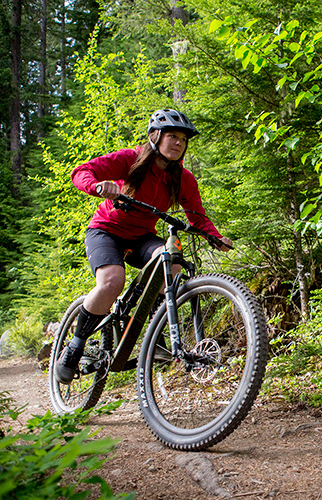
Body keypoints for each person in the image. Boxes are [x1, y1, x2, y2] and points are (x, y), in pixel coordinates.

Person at [54, 109, 232, 384]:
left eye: (183, 139)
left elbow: (196, 216)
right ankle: (75, 347)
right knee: (112, 282)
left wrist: (215, 237)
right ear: (155, 137)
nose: (178, 143)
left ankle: (156, 335)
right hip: (106, 231)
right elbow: (82, 171)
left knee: (171, 262)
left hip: (141, 237)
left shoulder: (183, 179)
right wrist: (98, 187)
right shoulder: (131, 159)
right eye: (172, 136)